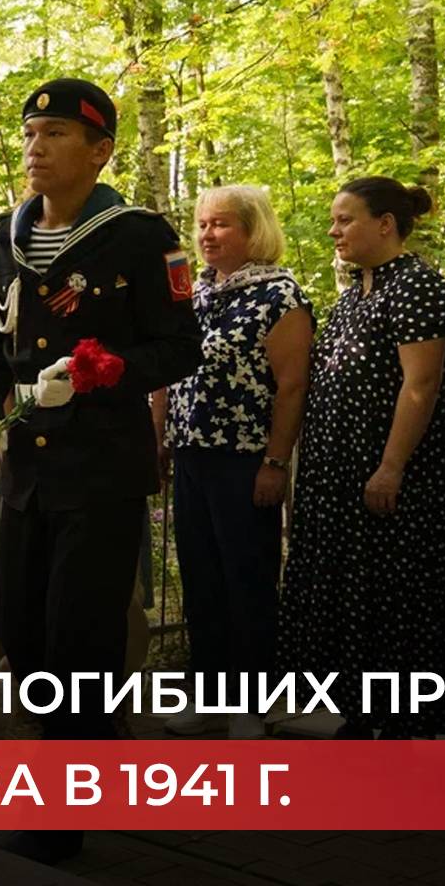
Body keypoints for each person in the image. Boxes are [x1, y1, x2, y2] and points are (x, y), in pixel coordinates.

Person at [0, 78, 200, 866]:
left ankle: (59, 812)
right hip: (24, 471)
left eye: (57, 134)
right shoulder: (6, 235)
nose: (36, 148)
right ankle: (92, 750)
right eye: (31, 134)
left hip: (99, 469)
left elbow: (180, 347)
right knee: (22, 631)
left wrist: (102, 372)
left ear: (100, 151)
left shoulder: (137, 236)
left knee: (79, 639)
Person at [280, 177, 445, 739]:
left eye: (344, 219)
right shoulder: (356, 292)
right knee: (355, 600)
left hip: (399, 479)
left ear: (386, 224)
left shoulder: (416, 287)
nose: (333, 230)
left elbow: (421, 385)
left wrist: (391, 466)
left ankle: (402, 729)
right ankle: (360, 716)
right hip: (340, 477)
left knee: (398, 601)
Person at [153, 185, 312, 739]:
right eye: (202, 224)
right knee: (202, 578)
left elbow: (292, 387)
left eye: (220, 224)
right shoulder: (195, 293)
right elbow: (168, 373)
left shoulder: (280, 296)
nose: (207, 234)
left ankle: (254, 704)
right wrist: (160, 439)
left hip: (246, 458)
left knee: (247, 577)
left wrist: (276, 462)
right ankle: (210, 698)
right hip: (192, 453)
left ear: (253, 230)